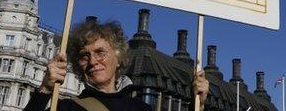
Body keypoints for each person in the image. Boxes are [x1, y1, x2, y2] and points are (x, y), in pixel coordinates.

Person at [24, 19, 208, 111]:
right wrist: (45, 90)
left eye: (100, 52)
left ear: (119, 57)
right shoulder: (66, 108)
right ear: (78, 66)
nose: (93, 61)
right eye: (84, 56)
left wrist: (197, 102)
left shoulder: (141, 109)